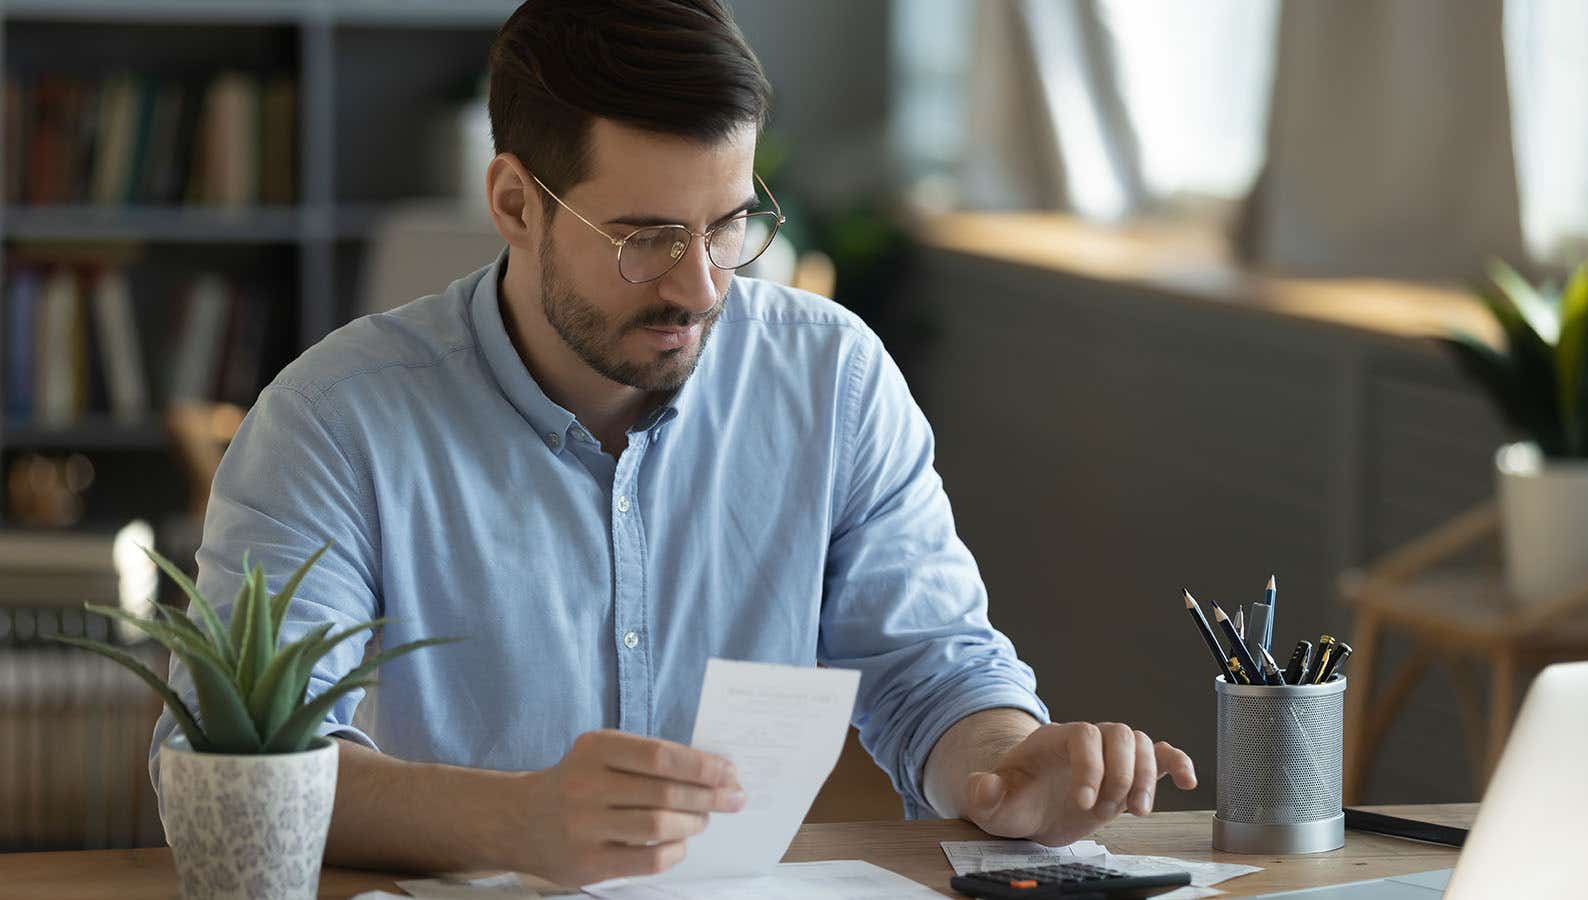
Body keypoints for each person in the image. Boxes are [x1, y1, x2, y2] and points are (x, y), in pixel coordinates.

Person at [149, 0, 1196, 886]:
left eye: (731, 223)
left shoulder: (829, 376)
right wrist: (515, 820)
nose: (700, 287)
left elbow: (927, 666)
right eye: (645, 236)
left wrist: (1007, 767)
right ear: (515, 202)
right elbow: (224, 771)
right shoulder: (335, 419)